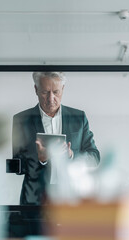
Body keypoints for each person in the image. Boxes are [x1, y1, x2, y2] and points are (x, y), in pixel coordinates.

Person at [12, 72, 100, 205]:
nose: (50, 98)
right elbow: (16, 165)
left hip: (72, 199)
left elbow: (94, 158)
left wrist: (72, 156)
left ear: (63, 89)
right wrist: (40, 160)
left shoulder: (79, 118)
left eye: (56, 92)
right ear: (36, 89)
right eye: (45, 92)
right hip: (35, 200)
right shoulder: (21, 120)